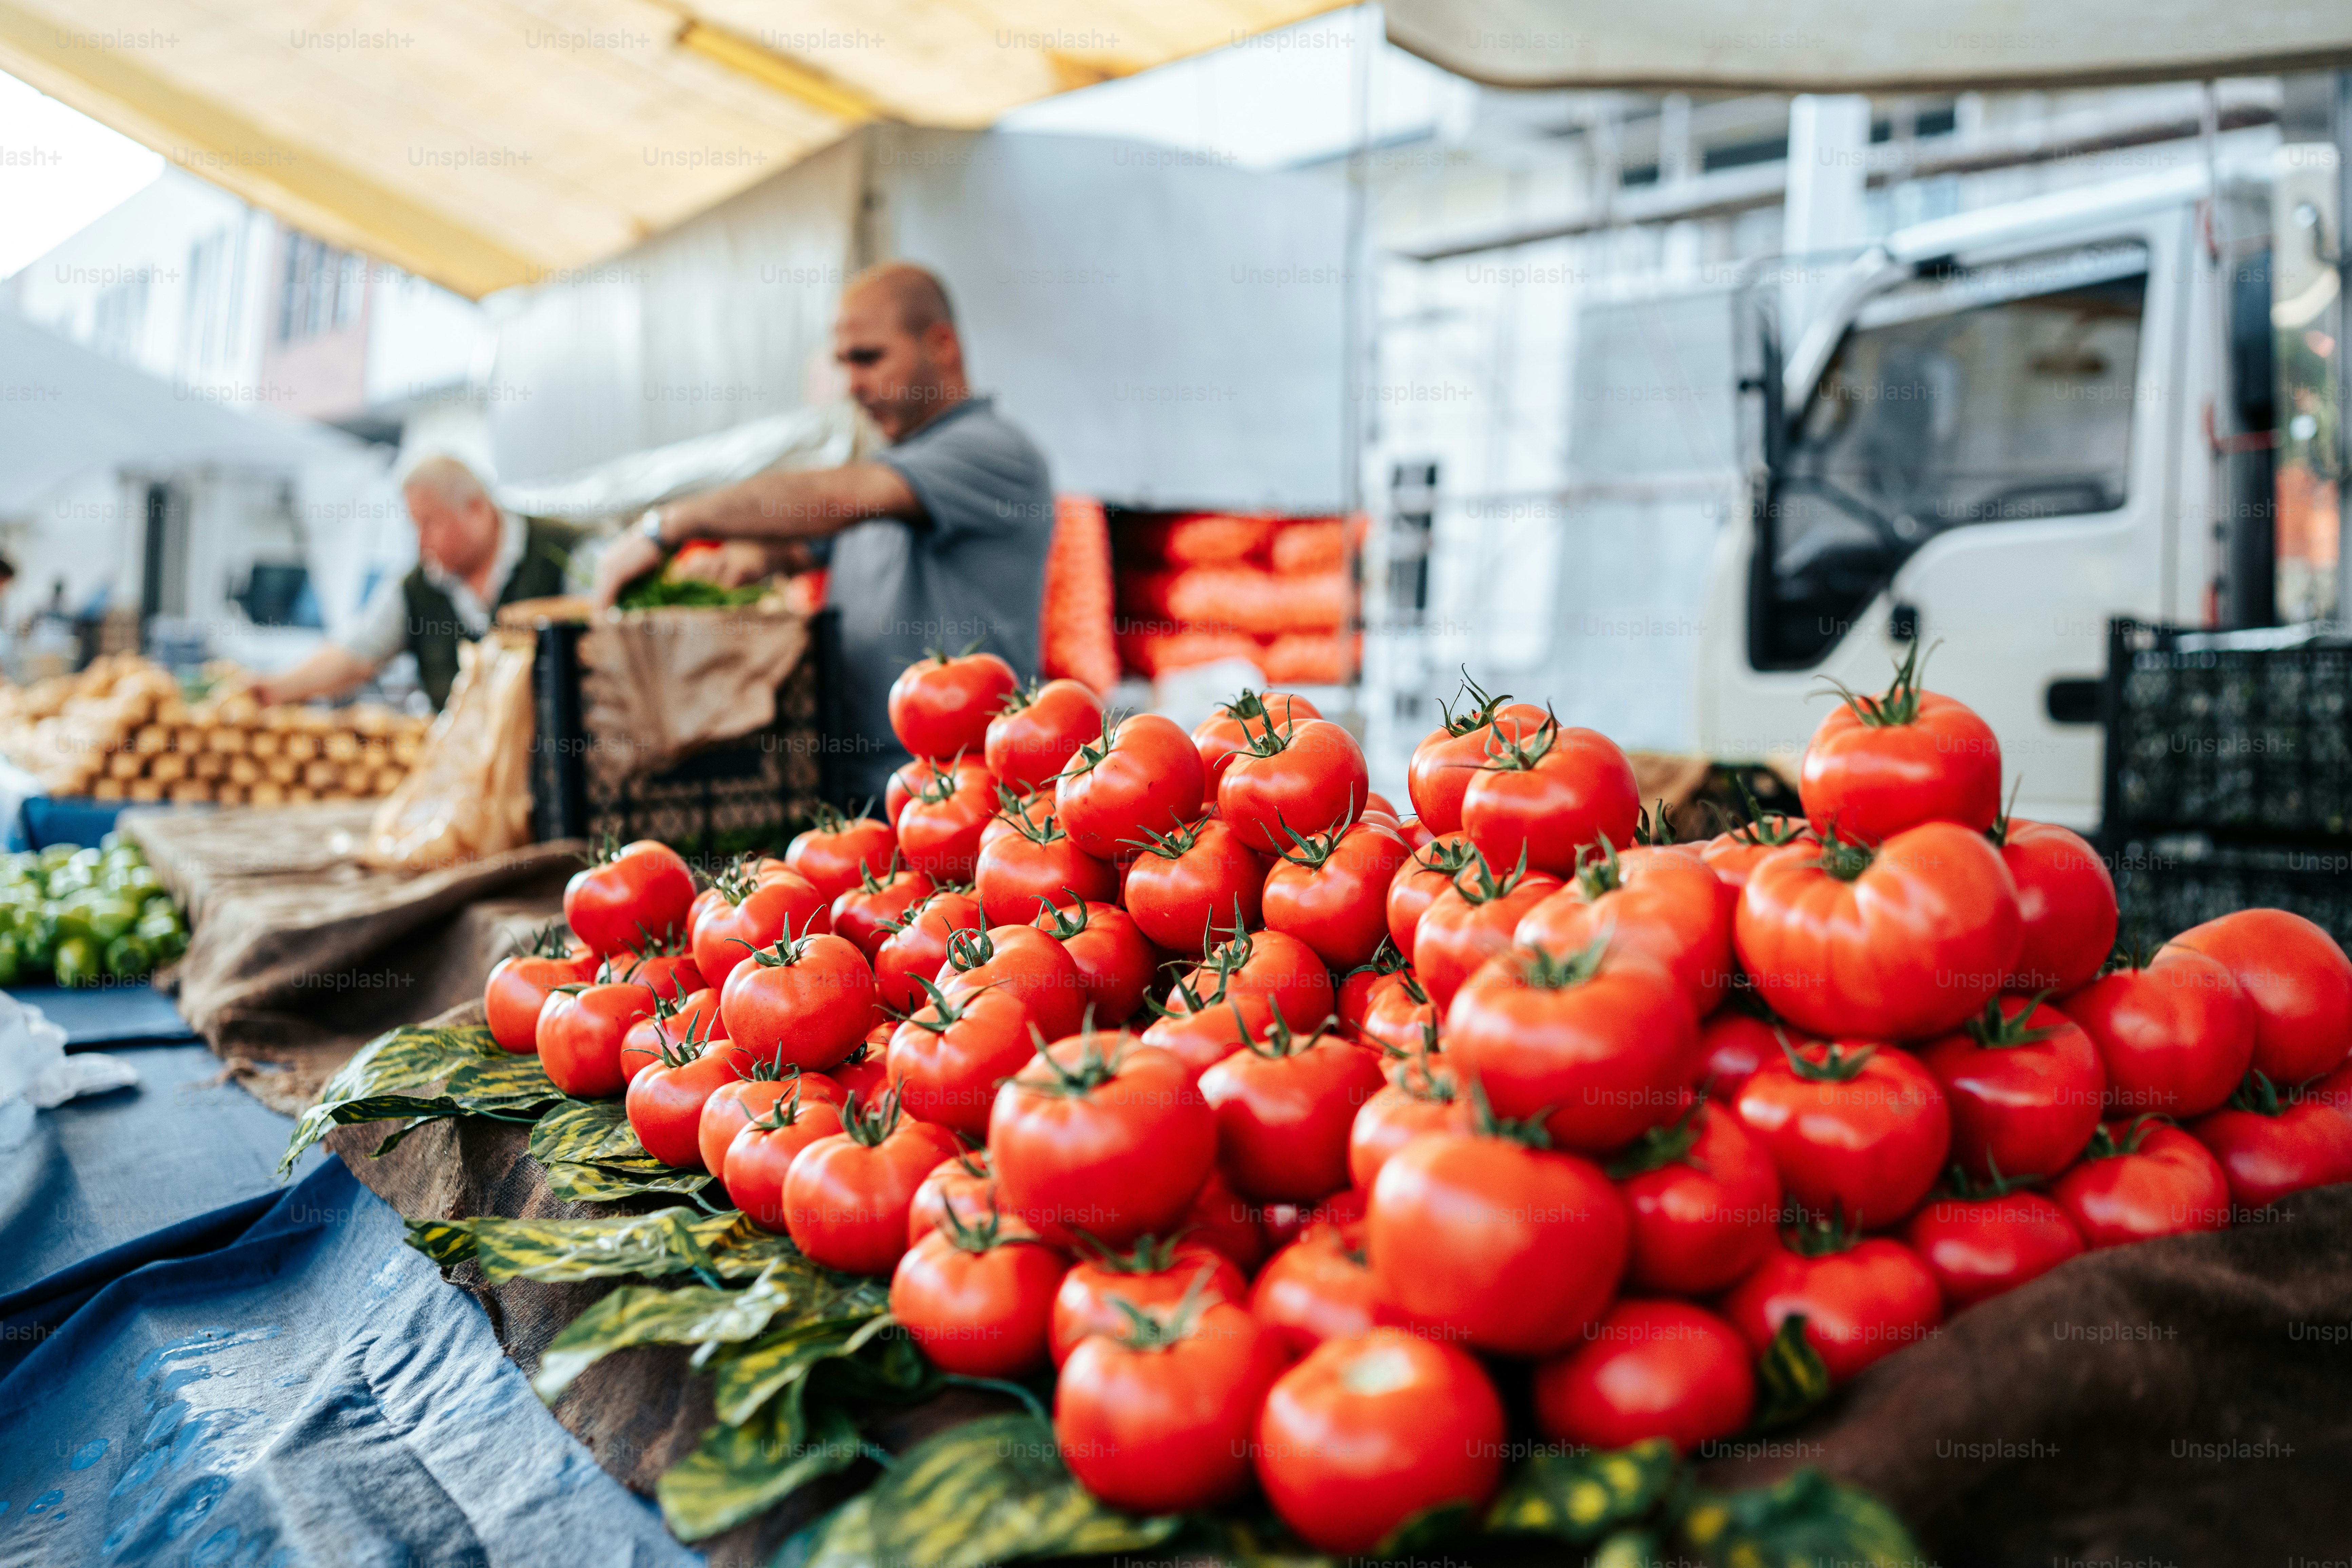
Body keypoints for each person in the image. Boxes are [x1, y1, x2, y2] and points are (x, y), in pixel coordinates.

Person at [591, 261, 1055, 801]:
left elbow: (837, 497)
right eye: (843, 363)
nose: (852, 385)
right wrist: (740, 562)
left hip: (955, 791)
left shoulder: (993, 452)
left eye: (869, 358)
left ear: (942, 344)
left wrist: (668, 525)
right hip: (858, 789)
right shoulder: (889, 470)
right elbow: (797, 542)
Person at [252, 457, 580, 709]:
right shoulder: (418, 587)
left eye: (429, 523)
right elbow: (356, 655)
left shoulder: (566, 552)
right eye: (414, 526)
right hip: (463, 768)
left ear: (476, 511)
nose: (420, 541)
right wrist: (274, 688)